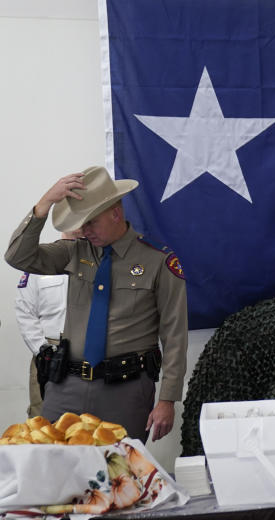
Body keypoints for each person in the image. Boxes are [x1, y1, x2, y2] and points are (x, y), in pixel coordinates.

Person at [5, 166, 188, 442]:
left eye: (91, 221)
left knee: (118, 475)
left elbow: (174, 336)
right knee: (51, 470)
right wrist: (43, 204)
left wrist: (167, 400)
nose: (84, 229)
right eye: (81, 222)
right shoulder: (73, 252)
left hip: (125, 391)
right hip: (66, 386)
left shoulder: (157, 262)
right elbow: (17, 256)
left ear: (115, 213)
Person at [14, 229, 82, 417]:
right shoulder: (41, 261)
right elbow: (25, 312)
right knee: (42, 417)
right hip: (49, 351)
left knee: (87, 423)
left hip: (86, 351)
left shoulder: (100, 260)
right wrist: (42, 350)